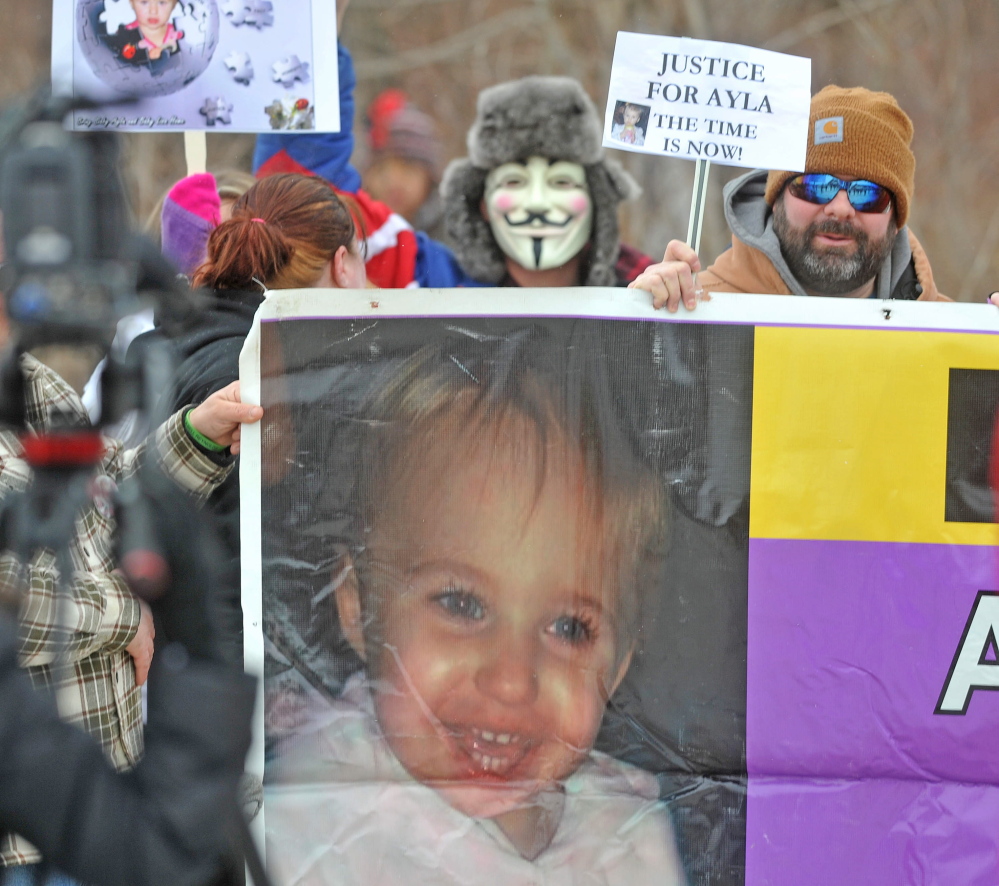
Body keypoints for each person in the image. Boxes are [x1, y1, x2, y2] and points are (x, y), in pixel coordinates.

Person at [264, 330, 687, 885]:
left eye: (568, 627)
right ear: (357, 603)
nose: (512, 680)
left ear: (622, 659)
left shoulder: (627, 835)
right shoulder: (318, 813)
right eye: (461, 604)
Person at [0, 350, 262, 876]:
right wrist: (125, 616)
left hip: (115, 810)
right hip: (31, 846)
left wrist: (197, 436)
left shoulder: (28, 379)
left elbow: (108, 485)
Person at [128, 172, 368, 663]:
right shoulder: (273, 371)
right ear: (342, 265)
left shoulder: (169, 341)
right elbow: (255, 552)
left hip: (175, 662)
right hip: (246, 674)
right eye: (363, 257)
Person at [253, 27, 685, 292]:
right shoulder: (439, 282)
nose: (536, 202)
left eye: (561, 183)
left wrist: (666, 314)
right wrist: (314, 39)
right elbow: (306, 193)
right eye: (514, 182)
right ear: (480, 200)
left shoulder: (640, 288)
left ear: (596, 196)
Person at [636, 85, 950, 311]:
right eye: (815, 185)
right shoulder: (698, 311)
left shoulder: (952, 332)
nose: (840, 208)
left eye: (867, 194)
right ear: (775, 198)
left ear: (896, 219)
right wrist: (635, 321)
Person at [361, 89, 444, 239]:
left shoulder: (449, 240)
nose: (394, 181)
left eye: (408, 167)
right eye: (381, 169)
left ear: (430, 177)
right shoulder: (359, 239)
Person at [106, 0, 183, 65]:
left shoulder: (150, 43)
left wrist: (134, 45)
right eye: (156, 54)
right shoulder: (164, 44)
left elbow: (140, 44)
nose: (154, 53)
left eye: (152, 54)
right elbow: (173, 41)